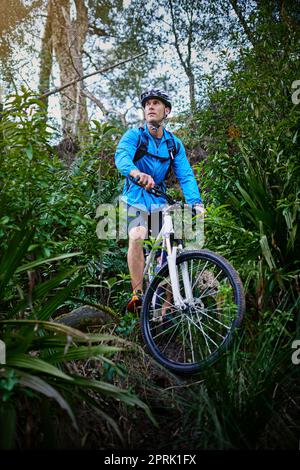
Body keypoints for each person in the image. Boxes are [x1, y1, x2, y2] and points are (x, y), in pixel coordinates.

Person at [115, 88, 204, 313]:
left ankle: (165, 305)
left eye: (156, 103)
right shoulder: (135, 135)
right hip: (135, 197)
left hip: (158, 199)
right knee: (137, 235)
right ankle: (137, 294)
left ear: (167, 111)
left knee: (168, 247)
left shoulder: (174, 144)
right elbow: (122, 157)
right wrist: (136, 173)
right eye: (147, 104)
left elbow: (185, 174)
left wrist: (196, 202)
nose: (151, 107)